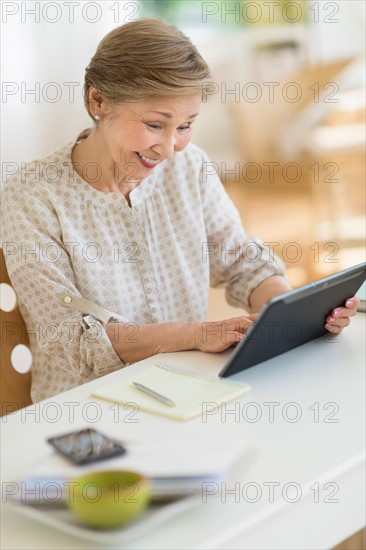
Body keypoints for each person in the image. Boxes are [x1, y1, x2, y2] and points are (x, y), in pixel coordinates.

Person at [1, 19, 359, 403]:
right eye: (155, 124)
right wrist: (199, 334)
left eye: (186, 126)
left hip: (188, 390)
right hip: (86, 409)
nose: (170, 148)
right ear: (98, 101)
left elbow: (241, 262)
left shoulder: (189, 168)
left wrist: (291, 318)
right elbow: (71, 339)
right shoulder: (31, 196)